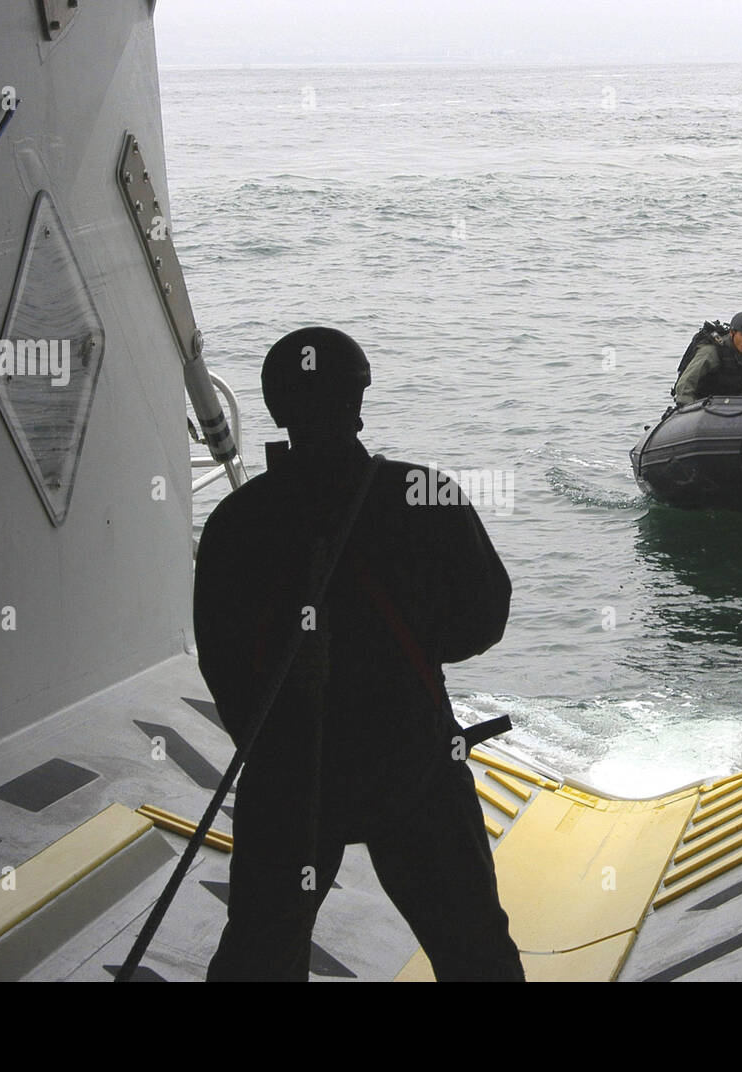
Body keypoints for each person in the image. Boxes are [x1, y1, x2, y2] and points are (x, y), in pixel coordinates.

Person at [193, 326, 525, 981]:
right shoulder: (422, 494)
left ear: (276, 408)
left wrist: (277, 750)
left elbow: (224, 667)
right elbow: (482, 623)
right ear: (359, 398)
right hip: (413, 762)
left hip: (288, 774)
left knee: (258, 952)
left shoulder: (237, 521)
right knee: (474, 951)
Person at [671, 311, 742, 404]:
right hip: (703, 403)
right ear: (732, 333)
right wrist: (686, 406)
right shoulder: (712, 352)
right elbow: (686, 382)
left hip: (732, 403)